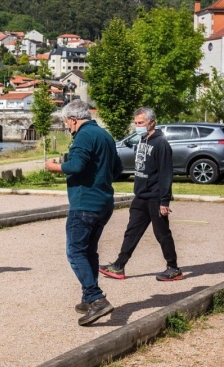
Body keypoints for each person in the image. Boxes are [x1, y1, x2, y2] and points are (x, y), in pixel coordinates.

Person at [45, 100, 123, 326]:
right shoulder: (104, 135)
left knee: (75, 251)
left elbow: (76, 166)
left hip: (85, 204)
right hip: (104, 202)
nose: (67, 128)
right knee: (89, 251)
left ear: (73, 119)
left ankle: (96, 298)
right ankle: (87, 298)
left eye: (66, 123)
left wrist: (53, 167)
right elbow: (116, 168)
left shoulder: (83, 136)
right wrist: (100, 179)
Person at [99, 107, 182, 282]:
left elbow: (166, 173)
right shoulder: (142, 140)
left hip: (155, 197)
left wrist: (164, 200)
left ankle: (173, 268)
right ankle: (119, 266)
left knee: (162, 234)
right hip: (141, 196)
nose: (137, 126)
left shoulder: (161, 144)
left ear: (152, 122)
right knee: (132, 232)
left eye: (141, 123)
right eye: (136, 123)